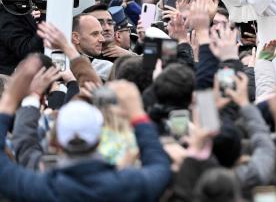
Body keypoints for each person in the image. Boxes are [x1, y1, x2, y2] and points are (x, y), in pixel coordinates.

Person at [0, 57, 172, 202]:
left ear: (56, 141)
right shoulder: (131, 184)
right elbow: (159, 163)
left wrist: (12, 100)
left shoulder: (39, 188)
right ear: (99, 135)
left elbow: (25, 146)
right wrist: (137, 113)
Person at [0, 0, 43, 75]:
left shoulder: (12, 5)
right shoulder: (6, 10)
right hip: (10, 84)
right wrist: (44, 16)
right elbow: (28, 51)